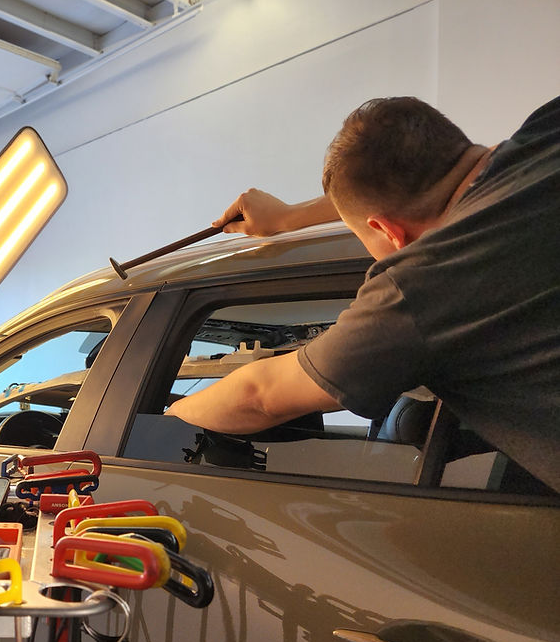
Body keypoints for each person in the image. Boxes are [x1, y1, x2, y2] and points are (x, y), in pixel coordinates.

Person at [166, 95, 560, 490]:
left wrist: (166, 417)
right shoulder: (547, 127)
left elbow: (259, 395)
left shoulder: (416, 290)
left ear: (387, 230)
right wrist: (288, 218)